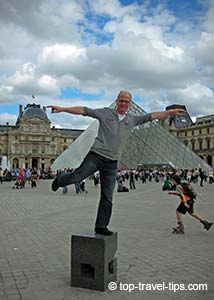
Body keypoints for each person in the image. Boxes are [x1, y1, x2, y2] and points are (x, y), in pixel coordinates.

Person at [48, 90, 185, 235]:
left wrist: (171, 112)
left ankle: (101, 225)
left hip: (112, 162)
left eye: (127, 101)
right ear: (117, 101)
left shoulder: (132, 119)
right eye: (121, 100)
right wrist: (63, 109)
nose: (124, 104)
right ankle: (60, 179)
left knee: (107, 196)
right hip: (96, 155)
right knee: (77, 177)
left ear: (130, 104)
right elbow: (84, 111)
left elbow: (152, 116)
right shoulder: (106, 113)